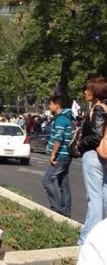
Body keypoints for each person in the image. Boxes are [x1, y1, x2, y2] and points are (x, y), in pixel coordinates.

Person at [78, 77, 107, 245]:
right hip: (104, 156)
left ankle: (86, 239)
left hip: (94, 155)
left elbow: (96, 136)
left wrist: (81, 145)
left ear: (96, 91)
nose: (85, 92)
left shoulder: (98, 109)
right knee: (103, 196)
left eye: (88, 89)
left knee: (94, 198)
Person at [42, 95, 74, 218]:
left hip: (61, 155)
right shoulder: (68, 118)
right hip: (66, 155)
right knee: (63, 183)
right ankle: (66, 211)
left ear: (57, 105)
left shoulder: (61, 119)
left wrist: (53, 154)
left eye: (50, 104)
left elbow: (58, 138)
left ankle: (57, 208)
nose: (49, 107)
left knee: (47, 180)